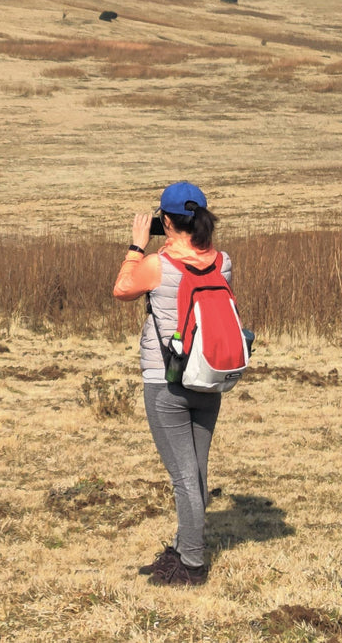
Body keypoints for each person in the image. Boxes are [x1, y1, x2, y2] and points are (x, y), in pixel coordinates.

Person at [112, 180, 226, 587]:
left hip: (167, 382)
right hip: (209, 380)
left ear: (166, 220)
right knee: (195, 472)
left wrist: (137, 246)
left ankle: (192, 565)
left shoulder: (158, 265)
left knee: (183, 478)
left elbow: (122, 289)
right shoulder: (222, 261)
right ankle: (181, 550)